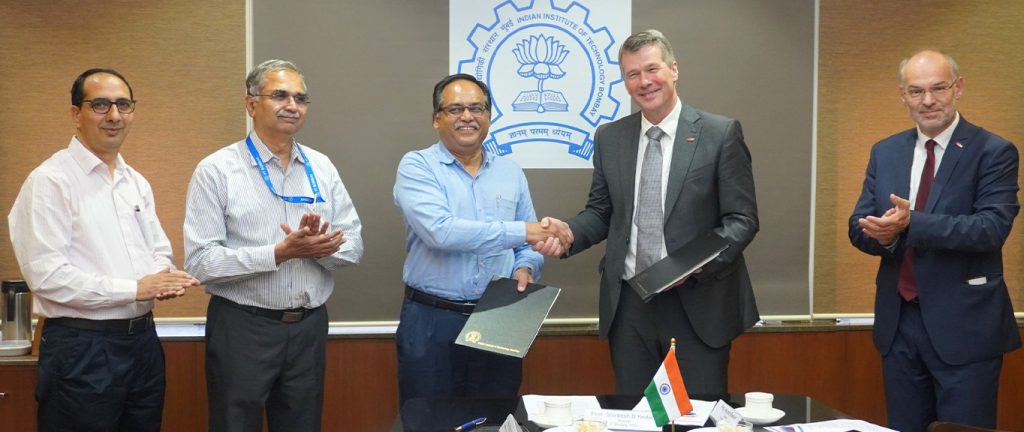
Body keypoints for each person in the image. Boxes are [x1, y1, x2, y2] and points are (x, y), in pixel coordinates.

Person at [535, 29, 759, 397]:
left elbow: (742, 220)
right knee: (634, 416)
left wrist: (692, 265)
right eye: (632, 74)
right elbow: (602, 212)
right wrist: (569, 233)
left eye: (652, 69)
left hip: (697, 304)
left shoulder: (719, 133)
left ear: (674, 69)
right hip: (630, 307)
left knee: (696, 417)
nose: (644, 82)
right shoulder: (610, 138)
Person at [8, 68, 199, 432]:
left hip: (143, 342)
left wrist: (163, 278)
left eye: (123, 105)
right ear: (75, 114)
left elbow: (158, 249)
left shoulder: (135, 182)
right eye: (100, 105)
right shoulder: (50, 181)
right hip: (82, 346)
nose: (114, 115)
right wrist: (135, 289)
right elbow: (47, 277)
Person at [183, 59, 363, 432]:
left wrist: (320, 249)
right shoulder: (217, 170)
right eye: (280, 95)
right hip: (243, 327)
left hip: (308, 327)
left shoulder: (322, 167)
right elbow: (200, 262)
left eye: (300, 98)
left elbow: (354, 245)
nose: (292, 105)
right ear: (251, 104)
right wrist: (278, 254)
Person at [849, 50, 1020, 431]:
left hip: (966, 328)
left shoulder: (993, 151)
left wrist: (911, 224)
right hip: (899, 325)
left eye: (938, 89)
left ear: (958, 88)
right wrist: (883, 234)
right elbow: (858, 225)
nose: (928, 101)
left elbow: (991, 228)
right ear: (903, 96)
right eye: (916, 91)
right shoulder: (886, 151)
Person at [392, 73, 565, 404]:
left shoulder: (510, 172)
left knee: (494, 416)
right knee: (429, 420)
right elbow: (441, 232)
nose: (467, 117)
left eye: (477, 108)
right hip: (432, 319)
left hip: (499, 315)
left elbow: (528, 246)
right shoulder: (417, 166)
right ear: (436, 119)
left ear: (489, 116)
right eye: (455, 109)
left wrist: (526, 267)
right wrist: (525, 230)